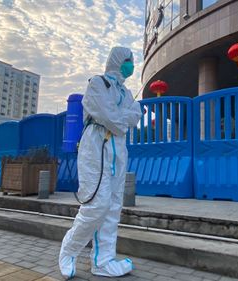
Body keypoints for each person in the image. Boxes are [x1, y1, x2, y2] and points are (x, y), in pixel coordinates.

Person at [59, 47, 142, 279]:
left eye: (132, 61)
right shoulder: (97, 84)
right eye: (127, 60)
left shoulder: (125, 92)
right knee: (96, 205)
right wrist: (123, 117)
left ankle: (103, 260)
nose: (130, 65)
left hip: (118, 151)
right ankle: (69, 250)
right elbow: (111, 118)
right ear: (116, 60)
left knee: (113, 208)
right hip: (95, 150)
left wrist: (120, 117)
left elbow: (135, 115)